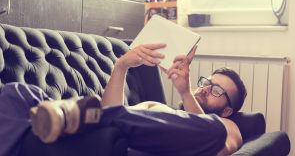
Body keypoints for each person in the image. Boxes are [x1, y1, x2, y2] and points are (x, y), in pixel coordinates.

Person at [0, 43, 247, 156]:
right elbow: (112, 110)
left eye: (217, 91)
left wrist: (186, 92)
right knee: (17, 92)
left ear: (227, 110)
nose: (205, 89)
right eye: (206, 82)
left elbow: (218, 148)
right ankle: (66, 121)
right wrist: (121, 66)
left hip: (107, 138)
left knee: (212, 131)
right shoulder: (161, 108)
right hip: (79, 133)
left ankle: (76, 115)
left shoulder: (228, 124)